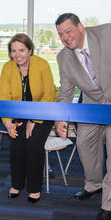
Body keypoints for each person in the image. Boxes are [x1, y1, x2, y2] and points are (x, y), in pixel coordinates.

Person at [55, 13, 111, 220]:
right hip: (92, 104)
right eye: (61, 35)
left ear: (81, 27)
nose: (65, 37)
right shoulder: (63, 57)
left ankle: (108, 204)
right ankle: (94, 185)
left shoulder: (107, 33)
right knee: (84, 144)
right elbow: (66, 92)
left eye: (68, 31)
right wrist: (61, 119)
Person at [0, 33, 57, 203]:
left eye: (22, 50)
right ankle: (16, 184)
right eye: (13, 51)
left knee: (33, 143)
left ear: (30, 50)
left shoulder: (42, 65)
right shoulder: (7, 67)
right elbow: (4, 97)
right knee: (16, 143)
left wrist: (33, 120)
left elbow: (49, 95)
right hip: (18, 113)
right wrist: (8, 123)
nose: (18, 55)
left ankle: (34, 188)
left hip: (44, 111)